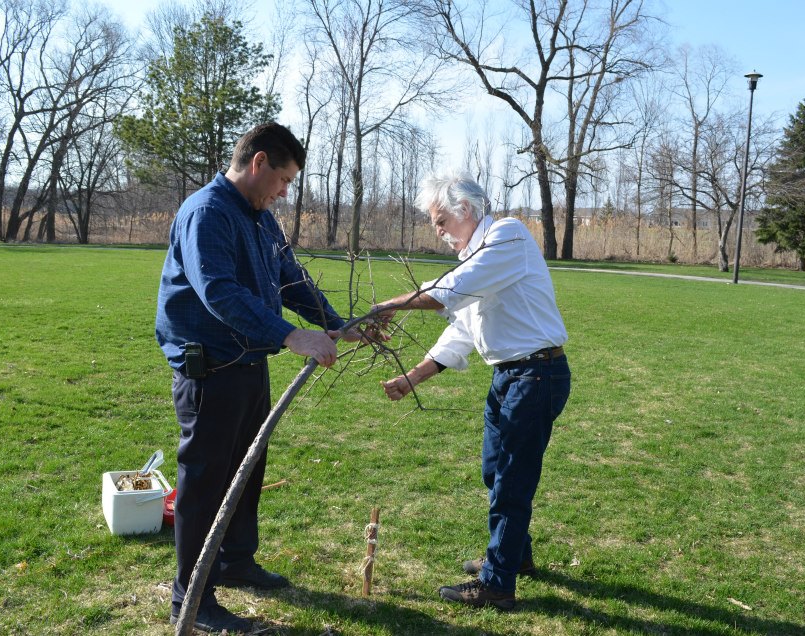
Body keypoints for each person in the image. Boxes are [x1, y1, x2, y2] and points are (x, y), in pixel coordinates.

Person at [155, 122, 358, 633]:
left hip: (249, 364)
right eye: (284, 181)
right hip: (211, 372)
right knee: (205, 484)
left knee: (248, 471)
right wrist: (292, 336)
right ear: (258, 162)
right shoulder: (208, 212)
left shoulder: (260, 218)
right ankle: (192, 600)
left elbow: (290, 277)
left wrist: (331, 322)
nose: (285, 193)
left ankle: (235, 560)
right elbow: (218, 292)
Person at [372, 171, 571, 610]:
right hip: (511, 376)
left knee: (512, 481)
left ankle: (497, 583)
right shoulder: (478, 258)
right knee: (494, 471)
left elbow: (448, 293)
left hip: (536, 375)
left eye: (440, 221)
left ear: (465, 210)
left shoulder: (507, 237)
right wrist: (413, 378)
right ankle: (515, 555)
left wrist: (390, 305)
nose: (437, 231)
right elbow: (461, 329)